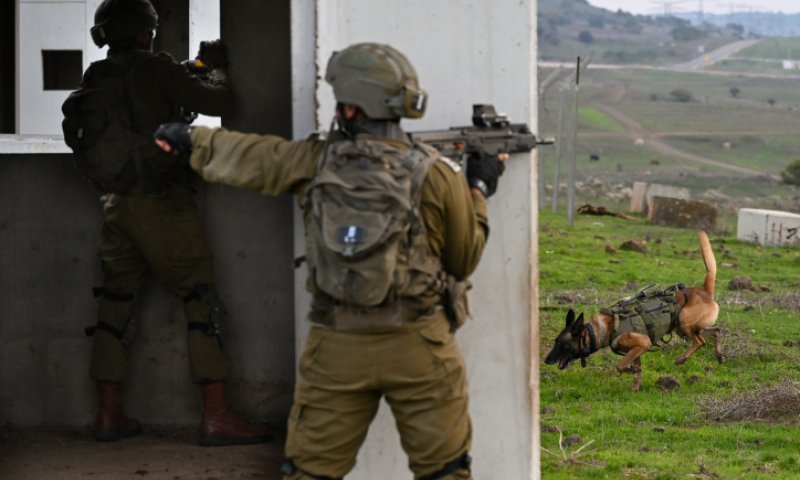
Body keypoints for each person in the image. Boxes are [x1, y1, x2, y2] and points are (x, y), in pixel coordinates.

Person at [155, 43, 505, 479]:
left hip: (337, 347)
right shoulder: (435, 173)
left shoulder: (315, 161)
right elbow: (464, 258)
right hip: (419, 345)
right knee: (445, 472)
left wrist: (189, 139)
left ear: (351, 107)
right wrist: (478, 189)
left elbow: (255, 155)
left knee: (311, 472)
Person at [78, 0, 271, 446]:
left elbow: (142, 95)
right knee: (200, 300)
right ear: (145, 31)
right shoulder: (157, 69)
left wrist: (190, 68)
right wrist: (215, 71)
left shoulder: (97, 76)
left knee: (115, 305)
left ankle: (108, 415)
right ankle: (217, 416)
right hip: (162, 202)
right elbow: (219, 102)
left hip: (116, 204)